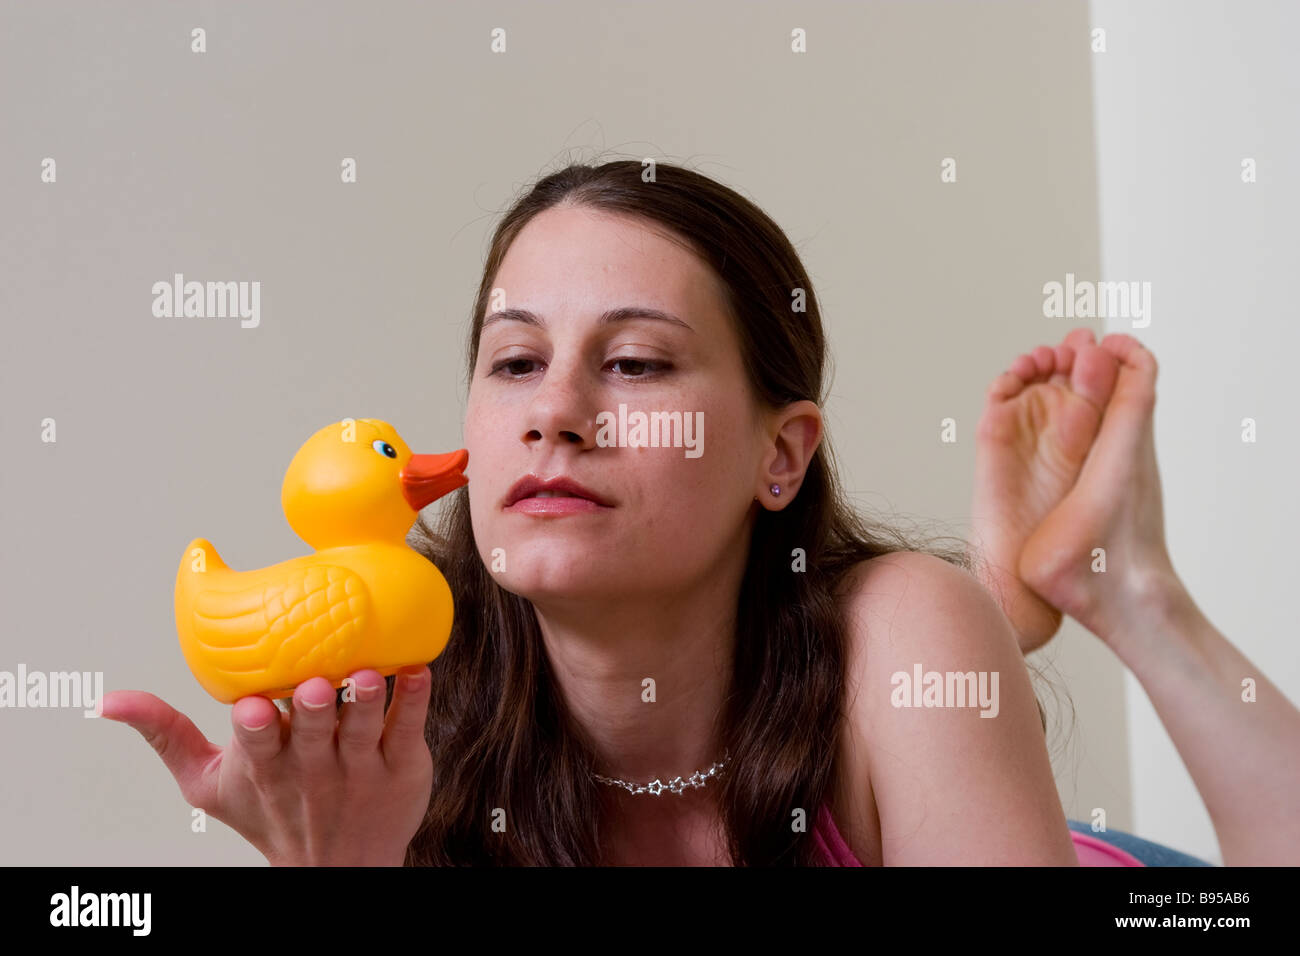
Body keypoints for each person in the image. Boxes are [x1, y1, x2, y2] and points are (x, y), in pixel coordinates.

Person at [101, 161, 1300, 866]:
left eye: (633, 365)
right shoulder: (399, 715)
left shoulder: (900, 627)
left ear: (779, 457)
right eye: (513, 363)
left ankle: (1124, 590)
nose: (553, 413)